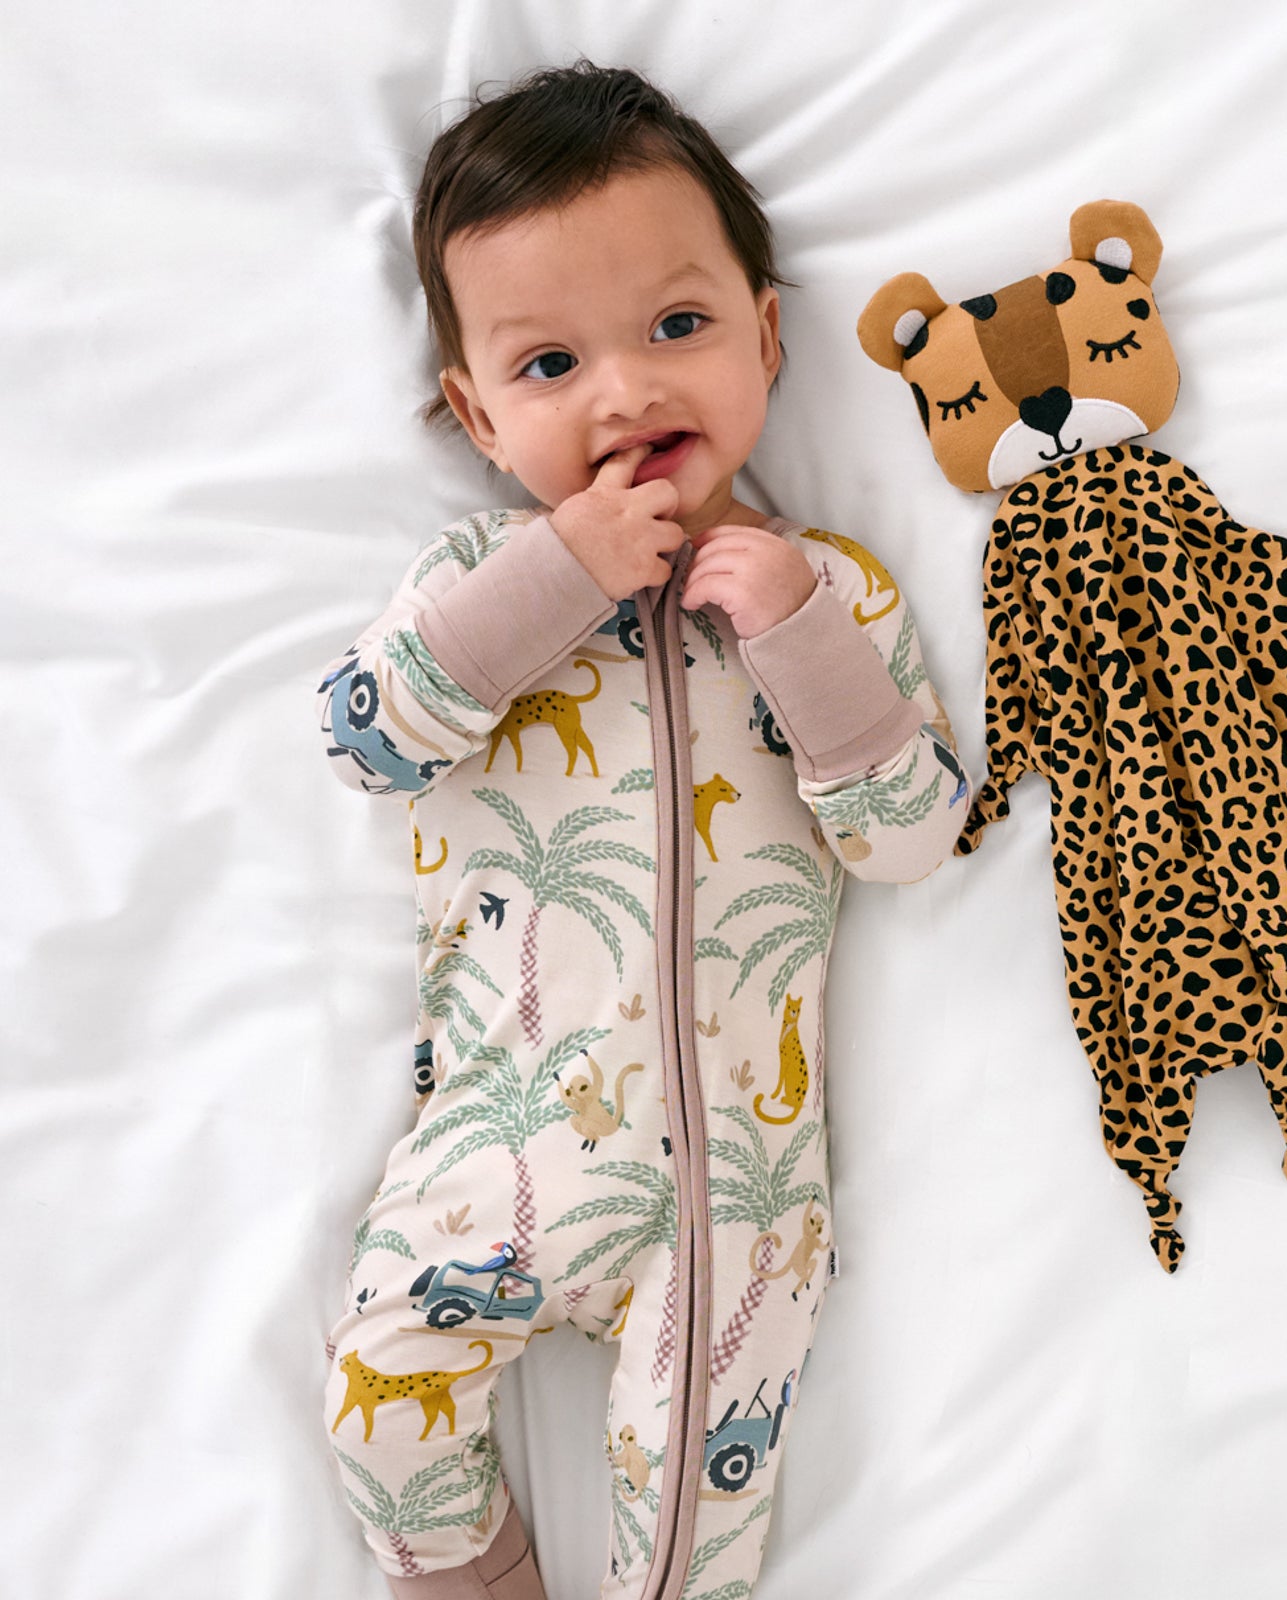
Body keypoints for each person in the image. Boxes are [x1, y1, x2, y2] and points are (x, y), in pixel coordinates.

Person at [316, 60, 969, 1600]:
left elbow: (912, 836)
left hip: (737, 1192)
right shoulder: (479, 582)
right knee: (375, 1400)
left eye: (679, 327)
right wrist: (553, 577)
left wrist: (803, 639)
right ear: (475, 414)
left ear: (768, 334)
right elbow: (366, 738)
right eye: (550, 365)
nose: (625, 392)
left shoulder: (840, 593)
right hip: (492, 1143)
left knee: (697, 1521)